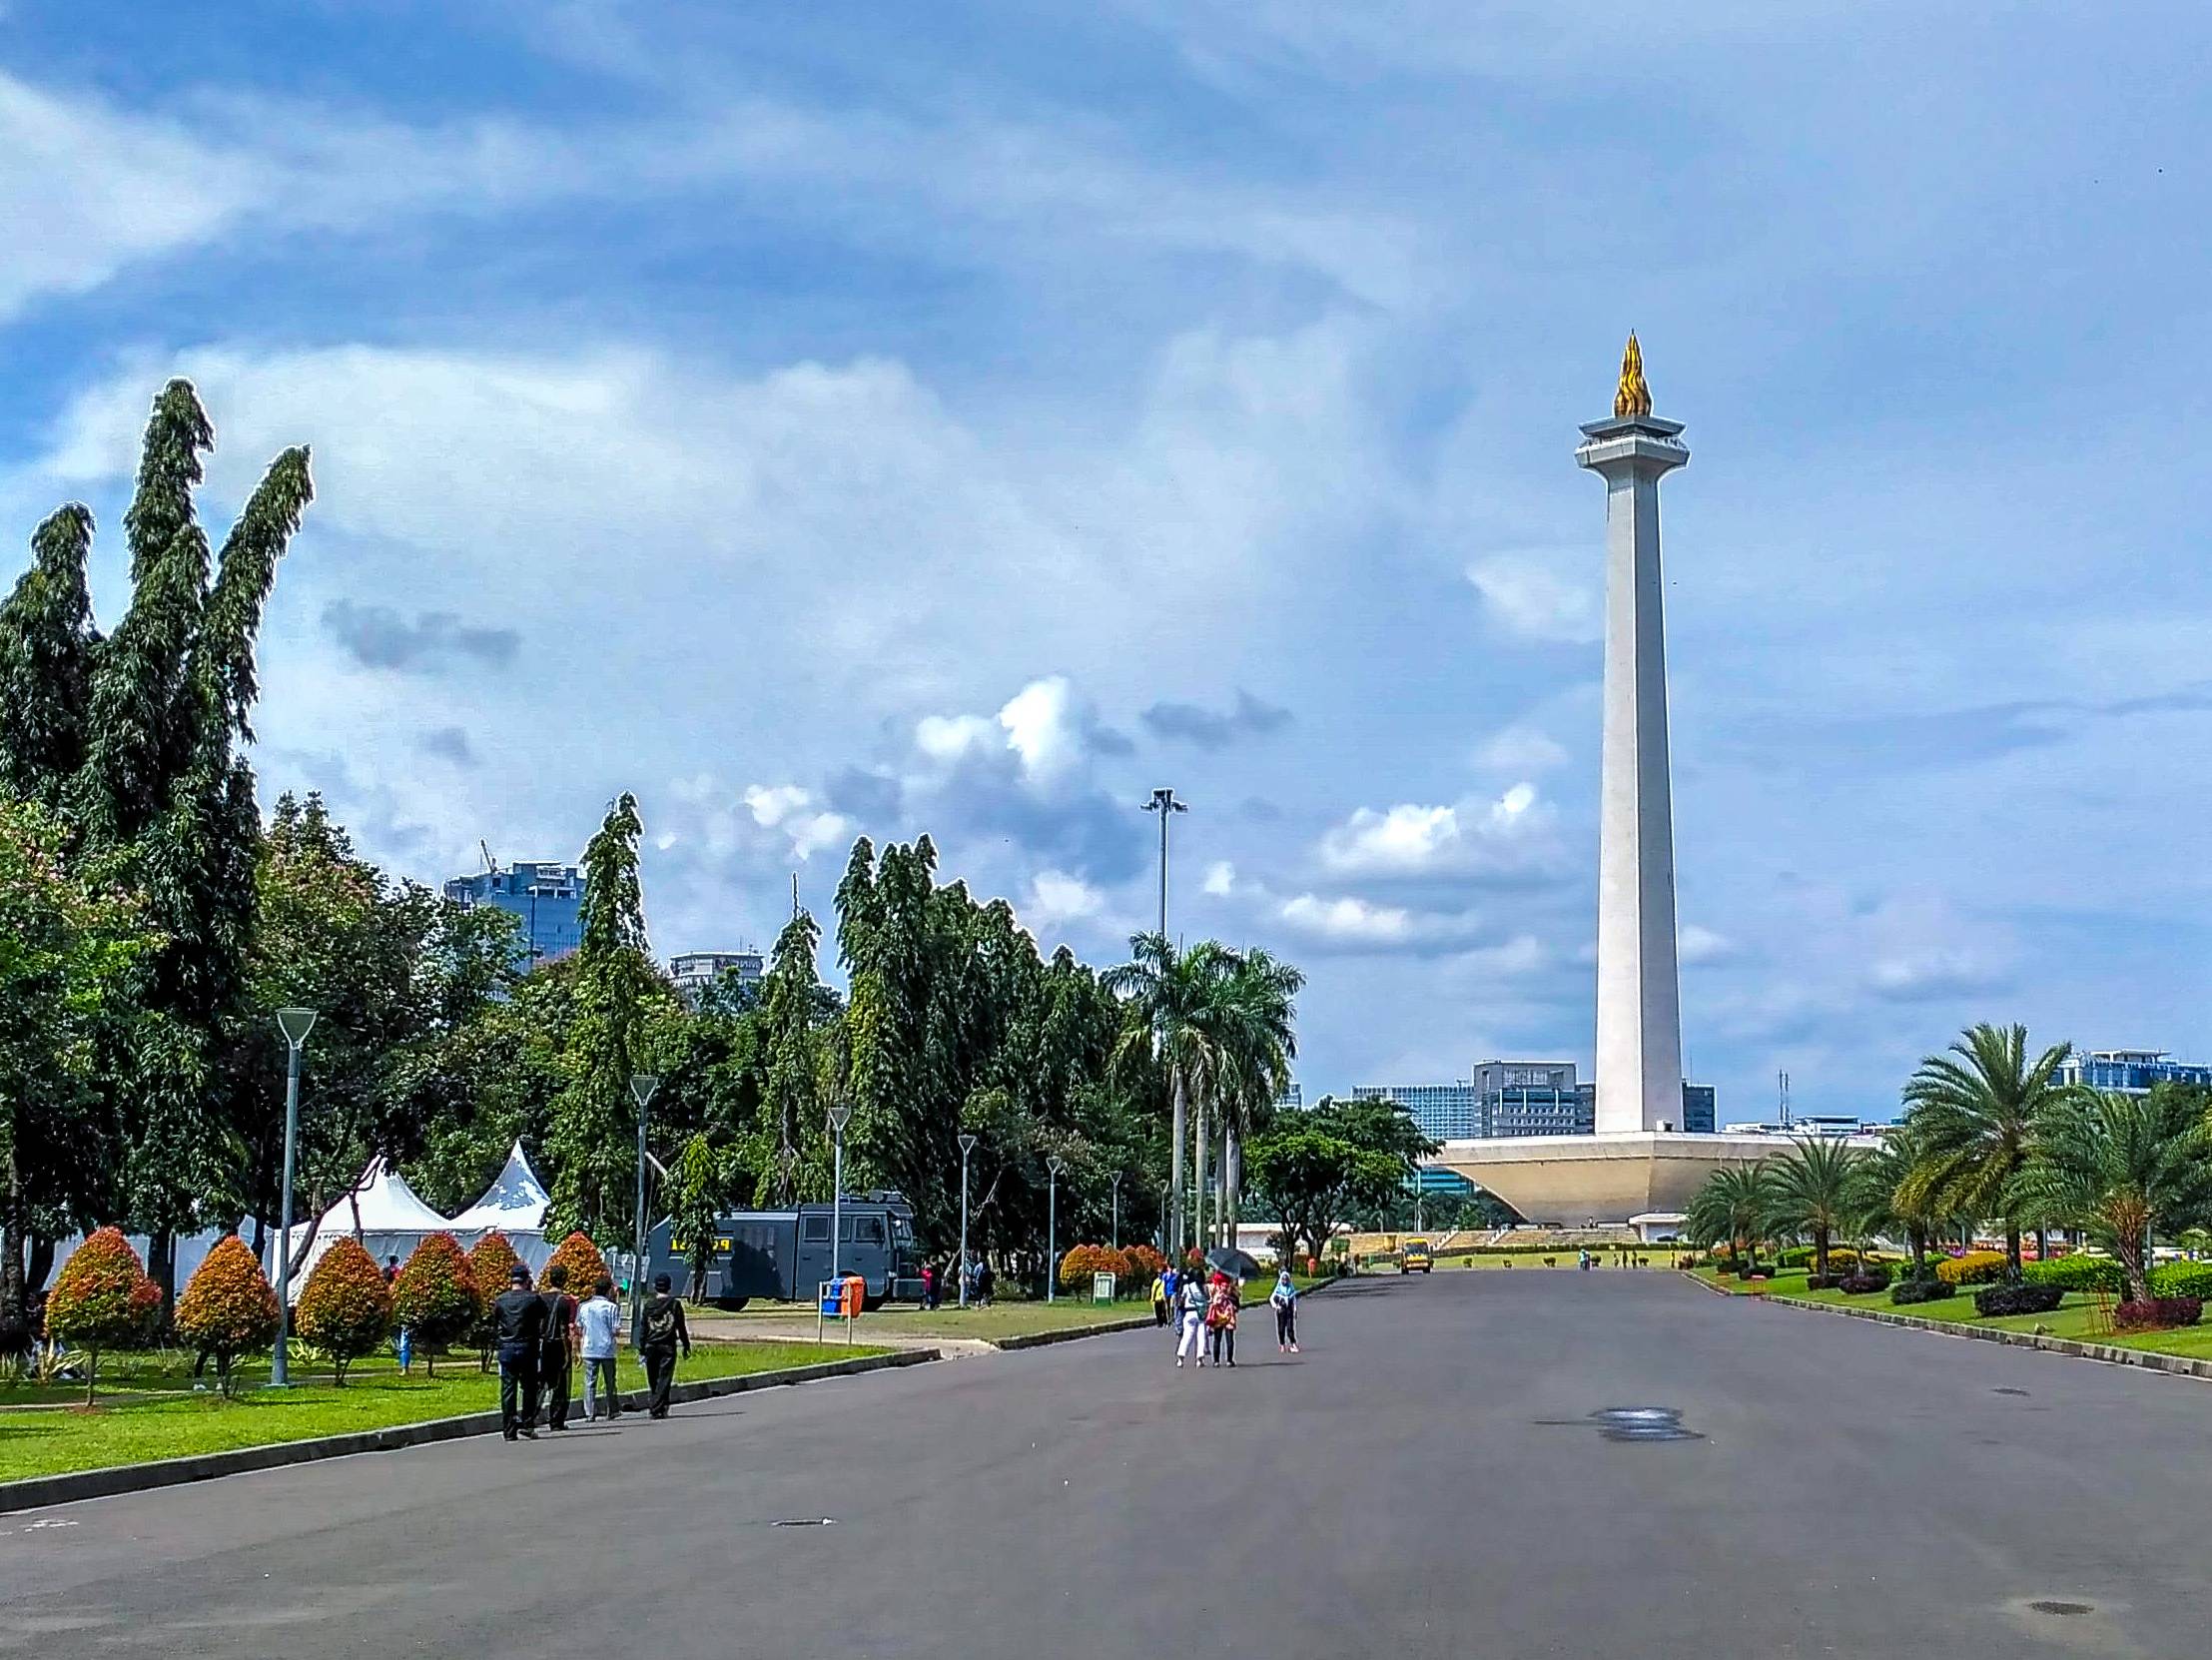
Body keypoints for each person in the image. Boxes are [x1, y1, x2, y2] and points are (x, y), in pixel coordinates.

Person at [487, 1262, 549, 1440]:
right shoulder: (533, 1299)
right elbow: (543, 1314)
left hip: (506, 1348)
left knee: (508, 1389)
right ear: (527, 1279)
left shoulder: (500, 1300)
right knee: (529, 1388)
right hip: (527, 1348)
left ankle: (508, 1430)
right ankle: (527, 1424)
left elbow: (496, 1321)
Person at [639, 1271, 691, 1419]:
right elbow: (681, 1326)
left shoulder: (649, 1305)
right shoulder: (674, 1305)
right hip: (668, 1345)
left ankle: (657, 1405)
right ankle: (658, 1407)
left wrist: (641, 1348)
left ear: (655, 1287)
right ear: (669, 1287)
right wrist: (686, 1344)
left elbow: (644, 1328)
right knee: (665, 1378)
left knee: (653, 1377)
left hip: (650, 1345)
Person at [577, 1273, 623, 1421]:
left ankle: (589, 1413)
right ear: (608, 1290)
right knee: (610, 1381)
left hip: (589, 1347)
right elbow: (616, 1330)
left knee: (590, 1382)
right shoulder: (612, 1307)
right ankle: (612, 1410)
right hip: (607, 1349)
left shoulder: (584, 1306)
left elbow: (579, 1326)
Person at [537, 1263, 577, 1430]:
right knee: (561, 1385)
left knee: (541, 1382)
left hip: (541, 1345)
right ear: (564, 1280)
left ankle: (531, 1415)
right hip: (559, 1346)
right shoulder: (565, 1301)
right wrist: (572, 1351)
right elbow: (567, 1328)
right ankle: (556, 1420)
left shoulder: (539, 1298)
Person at [1205, 1271, 1239, 1368]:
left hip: (1219, 1317)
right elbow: (1237, 1304)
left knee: (1218, 1339)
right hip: (1228, 1317)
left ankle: (1216, 1361)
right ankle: (1229, 1360)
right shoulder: (1231, 1291)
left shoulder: (1215, 1290)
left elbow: (1211, 1300)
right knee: (1228, 1339)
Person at [1174, 1272, 1207, 1367]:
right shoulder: (1203, 1288)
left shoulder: (1187, 1287)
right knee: (1201, 1336)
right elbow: (1207, 1299)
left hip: (1189, 1313)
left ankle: (1181, 1357)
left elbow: (1181, 1300)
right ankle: (1199, 1359)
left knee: (1187, 1336)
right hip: (1200, 1313)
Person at [1270, 1269, 1300, 1354]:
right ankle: (1282, 1344)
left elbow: (1294, 1300)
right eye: (1283, 1279)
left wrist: (1295, 1310)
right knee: (1281, 1328)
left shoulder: (1291, 1288)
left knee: (1290, 1328)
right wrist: (1276, 1306)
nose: (1284, 1281)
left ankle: (1293, 1344)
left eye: (1286, 1279)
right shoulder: (1278, 1289)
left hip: (1289, 1311)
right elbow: (1271, 1299)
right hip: (1281, 1311)